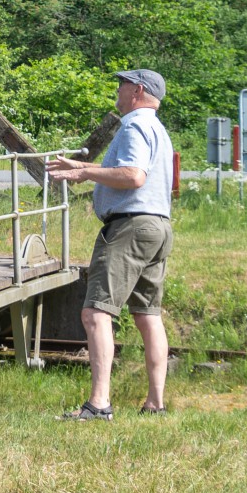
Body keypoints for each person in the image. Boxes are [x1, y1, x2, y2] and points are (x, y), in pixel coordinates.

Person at [46, 68, 175, 420]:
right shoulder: (158, 129)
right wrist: (81, 166)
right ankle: (156, 403)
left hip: (130, 228)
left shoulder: (134, 126)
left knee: (96, 312)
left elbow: (134, 175)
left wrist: (84, 172)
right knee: (148, 314)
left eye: (122, 84)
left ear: (137, 90)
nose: (117, 89)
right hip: (158, 226)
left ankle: (99, 404)